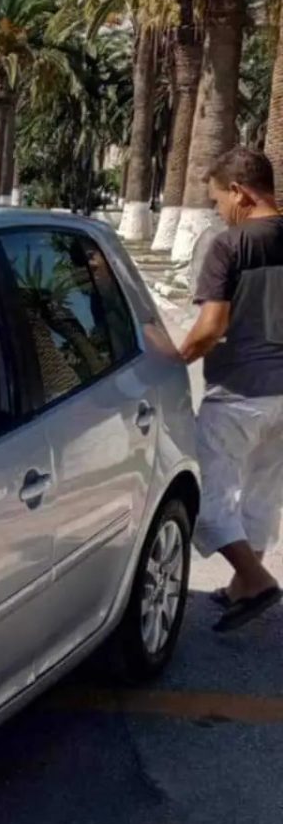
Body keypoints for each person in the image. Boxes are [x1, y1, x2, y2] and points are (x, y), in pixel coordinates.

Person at [178, 146, 283, 631]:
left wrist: (174, 359)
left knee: (208, 496)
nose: (220, 211)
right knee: (262, 495)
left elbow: (209, 326)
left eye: (219, 200)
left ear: (240, 192)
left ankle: (255, 579)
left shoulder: (229, 245)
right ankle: (244, 588)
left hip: (239, 393)